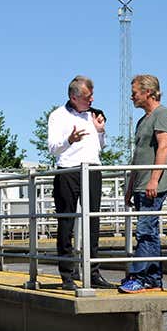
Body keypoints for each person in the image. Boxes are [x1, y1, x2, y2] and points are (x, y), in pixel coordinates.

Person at [46, 76, 117, 290]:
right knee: (66, 223)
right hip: (68, 170)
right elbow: (52, 148)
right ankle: (67, 276)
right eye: (87, 97)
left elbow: (100, 147)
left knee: (93, 223)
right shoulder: (57, 116)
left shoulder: (94, 114)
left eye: (92, 95)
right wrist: (70, 140)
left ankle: (93, 273)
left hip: (93, 169)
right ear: (74, 97)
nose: (92, 100)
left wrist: (100, 130)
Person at [118, 74, 167, 293]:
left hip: (153, 185)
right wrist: (130, 187)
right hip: (140, 184)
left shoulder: (162, 114)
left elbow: (164, 147)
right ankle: (153, 278)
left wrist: (154, 179)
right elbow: (138, 155)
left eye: (134, 93)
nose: (132, 97)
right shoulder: (143, 120)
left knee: (144, 230)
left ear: (148, 92)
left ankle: (141, 277)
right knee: (148, 231)